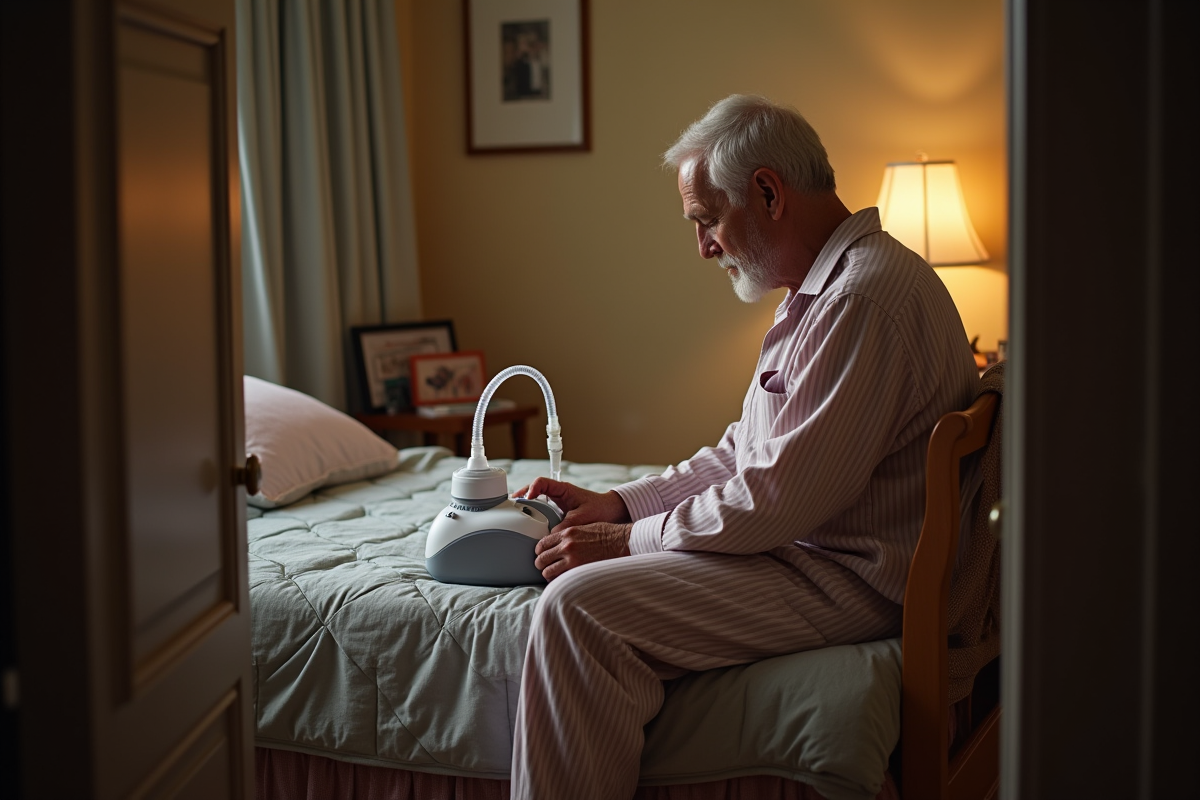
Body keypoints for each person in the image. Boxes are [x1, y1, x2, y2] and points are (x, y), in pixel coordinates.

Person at [509, 94, 980, 800]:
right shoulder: (824, 293)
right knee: (586, 594)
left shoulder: (860, 302)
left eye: (706, 221)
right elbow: (746, 453)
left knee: (578, 611)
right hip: (828, 556)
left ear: (767, 191)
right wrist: (622, 501)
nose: (702, 247)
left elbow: (771, 499)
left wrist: (626, 541)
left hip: (850, 577)